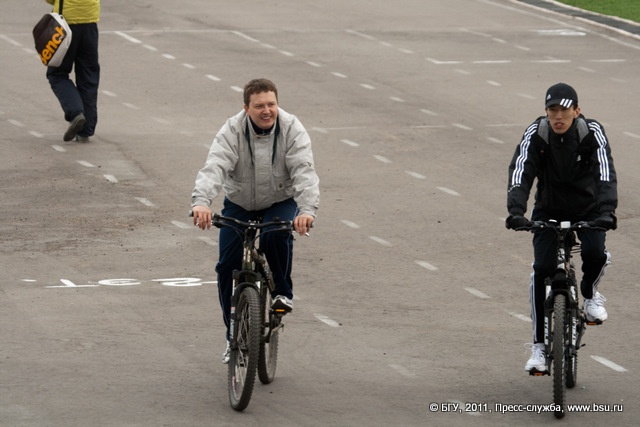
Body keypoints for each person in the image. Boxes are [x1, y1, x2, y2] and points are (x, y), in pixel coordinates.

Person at [191, 78, 320, 363]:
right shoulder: (232, 130)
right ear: (246, 108)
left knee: (276, 235)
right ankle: (232, 336)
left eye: (271, 104)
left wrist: (306, 211)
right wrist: (201, 202)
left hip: (279, 199)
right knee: (227, 265)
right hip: (240, 203)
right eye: (259, 106)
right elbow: (215, 166)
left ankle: (282, 293)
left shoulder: (292, 128)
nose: (267, 111)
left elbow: (304, 171)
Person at [505, 83, 618, 373]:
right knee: (542, 269)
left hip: (589, 209)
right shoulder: (537, 133)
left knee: (594, 253)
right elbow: (521, 170)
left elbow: (605, 172)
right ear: (546, 111)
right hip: (549, 210)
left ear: (577, 111)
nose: (558, 116)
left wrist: (607, 211)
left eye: (564, 110)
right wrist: (516, 211)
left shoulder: (590, 132)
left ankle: (590, 294)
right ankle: (539, 348)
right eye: (552, 110)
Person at [45, 0, 100, 143]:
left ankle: (75, 113)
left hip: (65, 24)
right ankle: (85, 131)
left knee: (57, 74)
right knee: (88, 76)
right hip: (90, 22)